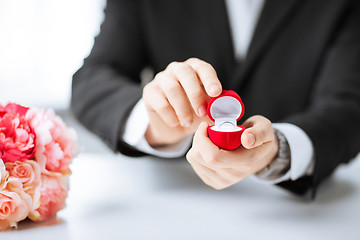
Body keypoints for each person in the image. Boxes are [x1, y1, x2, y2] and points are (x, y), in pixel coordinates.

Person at [71, 0, 360, 198]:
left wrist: (279, 150)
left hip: (295, 211)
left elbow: (349, 107)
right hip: (166, 201)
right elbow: (94, 77)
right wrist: (155, 123)